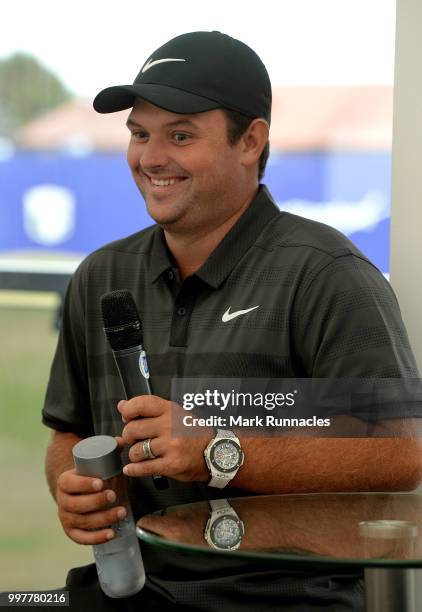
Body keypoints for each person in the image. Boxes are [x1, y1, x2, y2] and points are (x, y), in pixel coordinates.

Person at [42, 31, 421, 610]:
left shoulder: (326, 273)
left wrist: (221, 449)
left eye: (181, 135)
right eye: (140, 134)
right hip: (128, 589)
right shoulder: (100, 275)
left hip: (279, 597)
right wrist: (73, 490)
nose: (150, 158)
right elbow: (67, 430)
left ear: (251, 141)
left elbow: (402, 454)